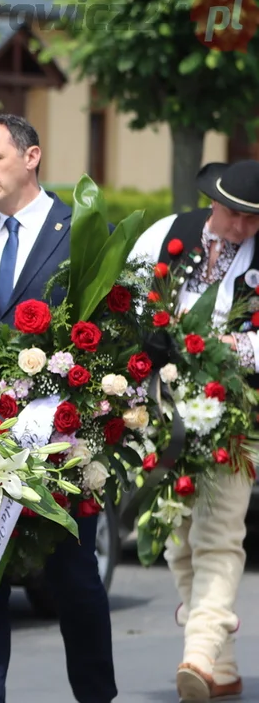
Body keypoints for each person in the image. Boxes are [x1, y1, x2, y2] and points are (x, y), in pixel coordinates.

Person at [0, 113, 117, 703]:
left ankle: (96, 694)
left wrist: (83, 412)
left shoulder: (83, 231)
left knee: (73, 582)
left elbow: (110, 335)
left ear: (32, 156)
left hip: (62, 446)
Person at [128, 159, 259, 702]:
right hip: (163, 411)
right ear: (215, 203)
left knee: (218, 535)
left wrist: (238, 349)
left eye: (256, 220)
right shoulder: (165, 235)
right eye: (237, 216)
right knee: (177, 541)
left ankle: (200, 654)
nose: (245, 229)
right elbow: (128, 305)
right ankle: (222, 671)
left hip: (238, 415)